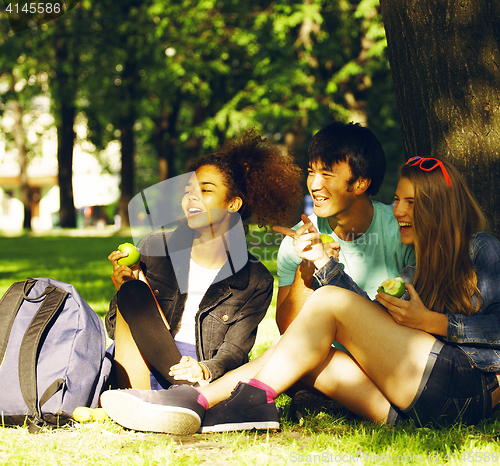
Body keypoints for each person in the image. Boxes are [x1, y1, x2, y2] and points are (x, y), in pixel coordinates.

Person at [100, 156, 500, 433]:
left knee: (325, 307)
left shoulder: (480, 249)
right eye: (397, 199)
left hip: (468, 389)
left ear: (441, 206)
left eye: (411, 202)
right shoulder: (417, 267)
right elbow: (364, 323)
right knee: (308, 351)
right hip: (408, 404)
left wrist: (431, 321)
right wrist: (325, 266)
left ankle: (240, 402)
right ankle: (198, 401)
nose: (397, 211)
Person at [105, 129, 303, 390]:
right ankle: (171, 397)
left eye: (206, 190)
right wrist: (126, 287)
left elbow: (234, 351)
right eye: (189, 190)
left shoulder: (255, 279)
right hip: (142, 364)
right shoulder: (154, 248)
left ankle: (179, 396)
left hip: (201, 374)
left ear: (233, 204)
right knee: (132, 292)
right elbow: (113, 328)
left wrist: (202, 369)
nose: (192, 197)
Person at [275, 121, 415, 333]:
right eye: (311, 172)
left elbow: (414, 320)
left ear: (360, 183)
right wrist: (307, 269)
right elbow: (287, 331)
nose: (313, 185)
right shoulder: (297, 242)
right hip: (325, 358)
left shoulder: (402, 231)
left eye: (327, 174)